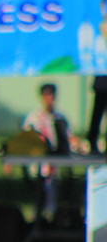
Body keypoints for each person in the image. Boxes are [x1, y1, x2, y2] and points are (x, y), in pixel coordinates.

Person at [22, 82, 79, 218]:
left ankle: (51, 217)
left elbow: (68, 137)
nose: (50, 99)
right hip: (39, 165)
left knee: (53, 195)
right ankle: (40, 218)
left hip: (55, 164)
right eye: (47, 96)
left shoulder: (60, 118)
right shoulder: (34, 118)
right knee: (41, 195)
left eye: (52, 95)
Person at [86, 76, 107, 155]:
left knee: (96, 116)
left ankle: (92, 141)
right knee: (97, 116)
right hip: (101, 86)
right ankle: (92, 141)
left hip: (101, 85)